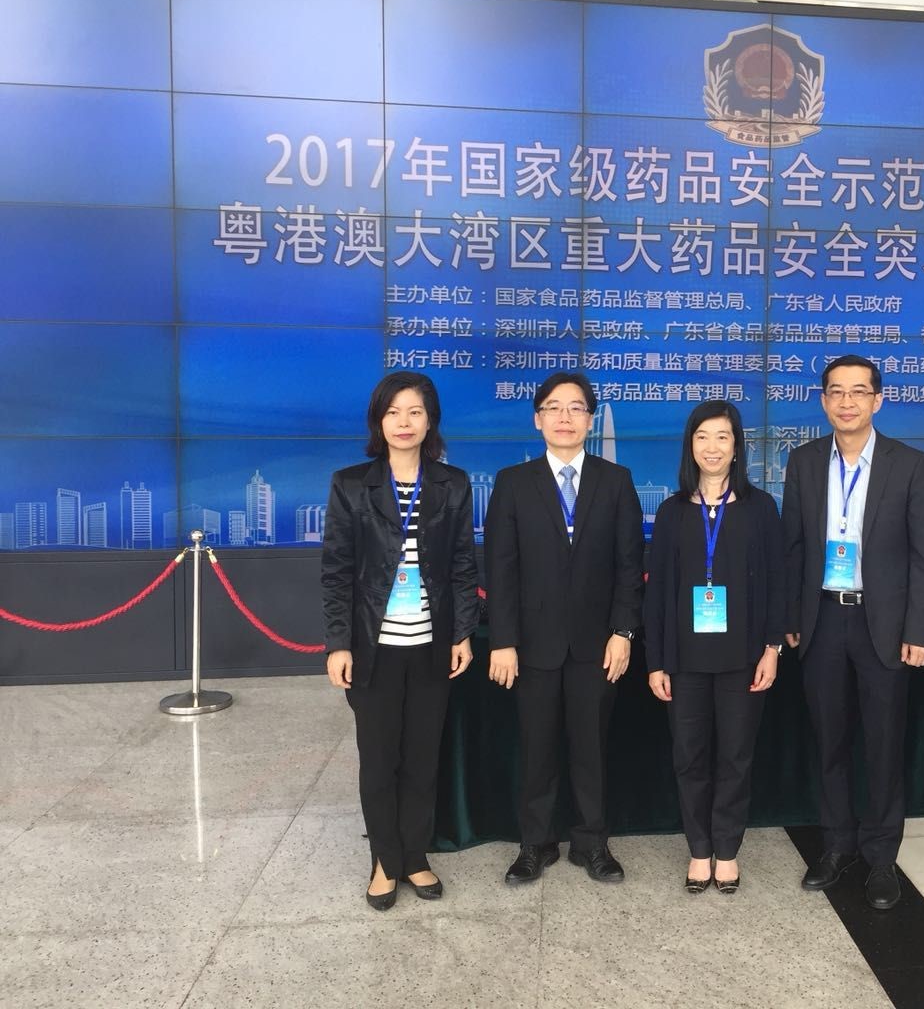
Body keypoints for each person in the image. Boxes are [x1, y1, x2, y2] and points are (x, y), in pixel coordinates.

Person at [783, 354, 924, 911]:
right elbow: (792, 546)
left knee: (883, 743)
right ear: (823, 400)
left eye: (858, 391)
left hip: (885, 624)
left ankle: (881, 858)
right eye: (836, 391)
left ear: (878, 399)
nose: (846, 402)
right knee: (829, 741)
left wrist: (920, 628)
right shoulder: (803, 461)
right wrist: (790, 618)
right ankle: (836, 846)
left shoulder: (909, 464)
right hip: (822, 618)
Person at [320, 371, 479, 910]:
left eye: (415, 411)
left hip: (432, 646)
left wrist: (462, 633)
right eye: (393, 412)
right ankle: (384, 862)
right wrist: (339, 643)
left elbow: (463, 565)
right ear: (379, 421)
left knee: (421, 759)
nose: (404, 422)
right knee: (378, 759)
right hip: (374, 648)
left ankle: (415, 856)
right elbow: (337, 571)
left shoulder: (452, 484)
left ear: (430, 421)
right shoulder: (351, 484)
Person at [484, 371, 644, 885]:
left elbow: (629, 564)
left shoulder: (615, 481)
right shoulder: (513, 482)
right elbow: (500, 568)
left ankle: (592, 844)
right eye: (554, 407)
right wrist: (503, 641)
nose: (565, 417)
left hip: (597, 645)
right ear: (538, 419)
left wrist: (623, 631)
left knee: (591, 747)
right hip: (532, 645)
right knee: (537, 747)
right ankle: (536, 844)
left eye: (576, 408)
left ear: (590, 420)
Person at [644, 400, 784, 894]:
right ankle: (698, 849)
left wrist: (772, 648)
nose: (712, 447)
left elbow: (777, 582)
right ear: (690, 446)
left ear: (737, 447)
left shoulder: (760, 508)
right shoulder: (672, 511)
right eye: (702, 436)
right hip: (684, 660)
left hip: (743, 657)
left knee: (735, 756)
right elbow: (657, 593)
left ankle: (727, 850)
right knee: (690, 756)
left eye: (723, 437)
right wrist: (656, 662)